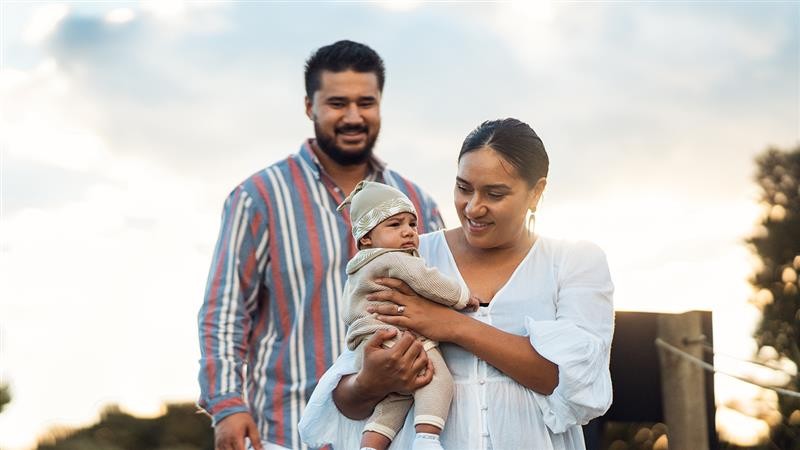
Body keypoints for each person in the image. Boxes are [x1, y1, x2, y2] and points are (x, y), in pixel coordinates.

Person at [299, 118, 615, 450]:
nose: (473, 207)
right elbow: (347, 401)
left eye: (494, 193)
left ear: (536, 192)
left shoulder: (574, 262)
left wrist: (451, 325)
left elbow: (571, 380)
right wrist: (369, 382)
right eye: (464, 188)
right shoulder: (409, 256)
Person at [197, 40, 444, 450]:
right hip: (288, 430)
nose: (353, 117)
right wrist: (227, 405)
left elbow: (444, 304)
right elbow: (225, 311)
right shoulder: (259, 197)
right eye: (337, 103)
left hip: (395, 431)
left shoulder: (417, 203)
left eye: (366, 103)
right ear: (310, 106)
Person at [336, 180, 480, 450]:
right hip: (396, 336)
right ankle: (427, 440)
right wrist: (462, 296)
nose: (408, 232)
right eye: (394, 225)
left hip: (368, 343)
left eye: (412, 224)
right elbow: (427, 280)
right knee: (436, 378)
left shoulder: (355, 270)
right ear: (365, 238)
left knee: (397, 398)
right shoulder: (394, 258)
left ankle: (370, 445)